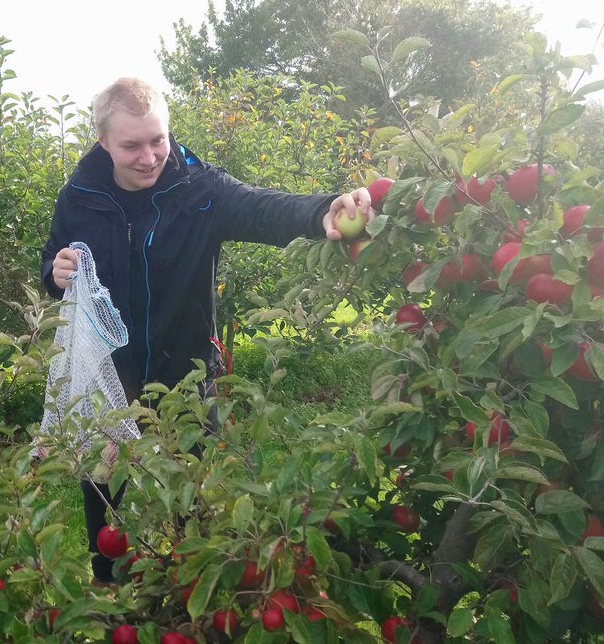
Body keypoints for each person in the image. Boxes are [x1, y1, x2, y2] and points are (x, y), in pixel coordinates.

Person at [40, 77, 372, 587]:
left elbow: (262, 206)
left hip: (185, 375)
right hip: (110, 380)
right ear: (103, 141)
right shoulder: (79, 197)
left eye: (158, 140)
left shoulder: (198, 189)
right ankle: (110, 591)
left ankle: (189, 598)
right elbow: (53, 267)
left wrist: (321, 210)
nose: (149, 156)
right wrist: (56, 274)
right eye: (131, 145)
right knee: (106, 495)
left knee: (190, 499)